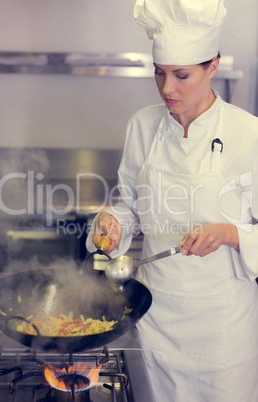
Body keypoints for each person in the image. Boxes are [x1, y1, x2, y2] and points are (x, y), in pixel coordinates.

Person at [86, 0, 258, 400]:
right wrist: (111, 223)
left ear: (212, 66)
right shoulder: (142, 126)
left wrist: (231, 234)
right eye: (159, 73)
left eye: (182, 75)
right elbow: (128, 207)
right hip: (156, 316)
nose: (168, 89)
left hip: (222, 331)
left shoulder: (249, 135)